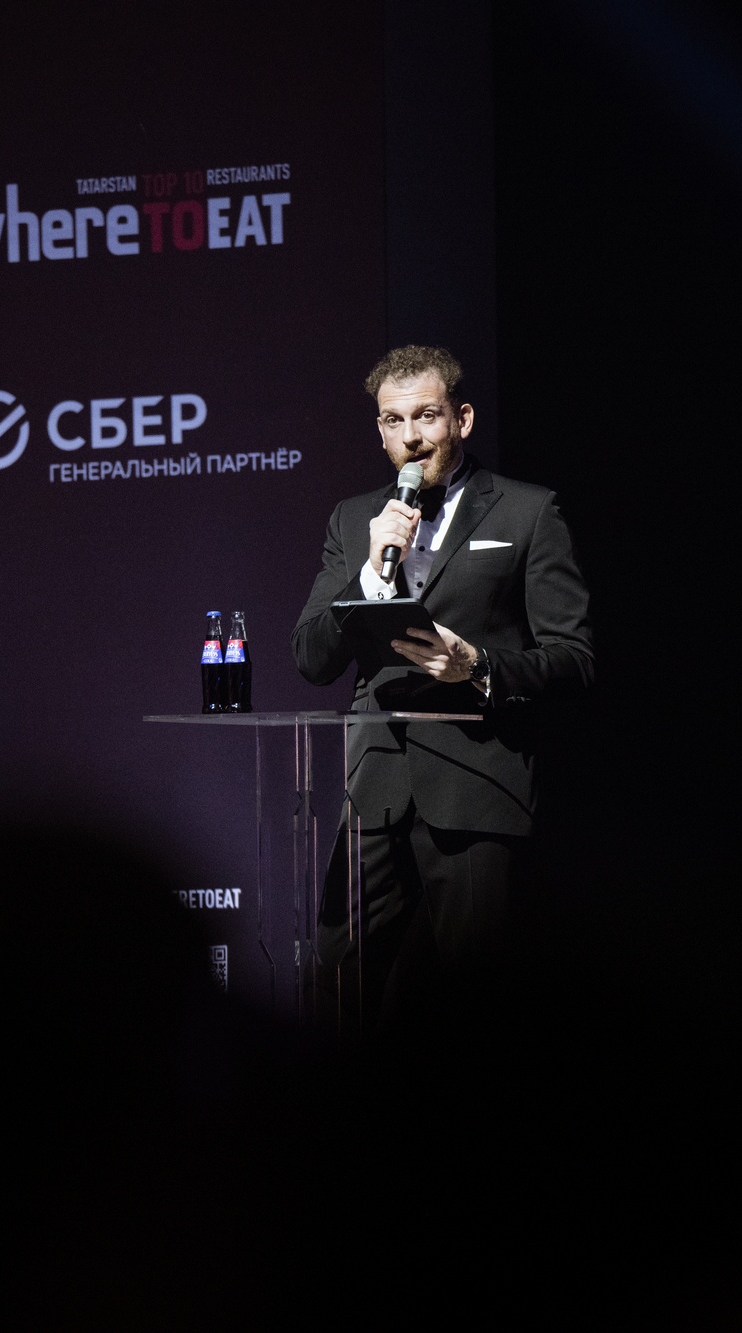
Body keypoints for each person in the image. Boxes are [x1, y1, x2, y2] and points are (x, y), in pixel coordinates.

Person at [291, 345, 594, 1042]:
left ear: (461, 418)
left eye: (426, 416)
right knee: (335, 981)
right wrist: (370, 576)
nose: (412, 437)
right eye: (393, 421)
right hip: (375, 790)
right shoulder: (354, 520)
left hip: (477, 785)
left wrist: (479, 665)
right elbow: (311, 657)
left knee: (474, 996)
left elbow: (574, 660)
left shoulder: (526, 511)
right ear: (379, 430)